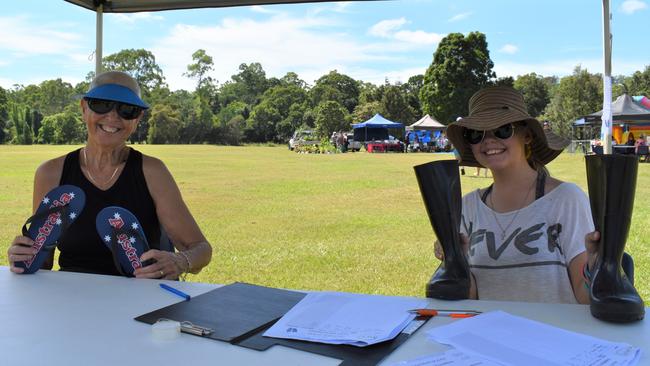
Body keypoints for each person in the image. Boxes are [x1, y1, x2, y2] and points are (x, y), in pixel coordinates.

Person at [7, 71, 212, 279]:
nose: (113, 116)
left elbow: (201, 248)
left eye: (127, 109)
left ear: (137, 118)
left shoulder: (153, 172)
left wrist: (180, 261)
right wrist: (24, 254)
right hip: (73, 297)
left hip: (141, 297)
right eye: (102, 104)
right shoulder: (50, 173)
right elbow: (43, 260)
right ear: (84, 108)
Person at [439, 86, 598, 304]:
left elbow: (585, 296)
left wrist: (599, 266)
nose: (488, 140)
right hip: (485, 334)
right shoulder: (466, 207)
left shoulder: (566, 199)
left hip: (553, 335)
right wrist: (453, 262)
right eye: (476, 134)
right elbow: (469, 299)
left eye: (503, 129)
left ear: (528, 136)